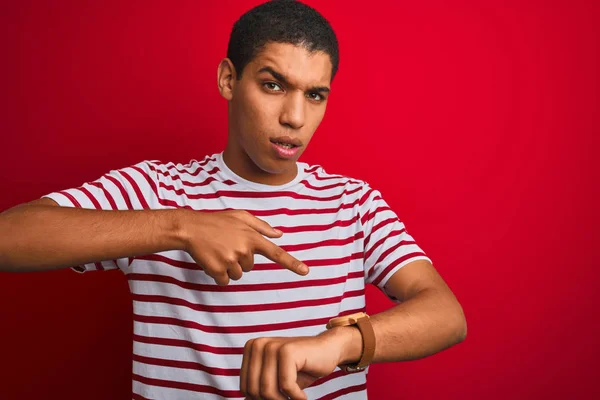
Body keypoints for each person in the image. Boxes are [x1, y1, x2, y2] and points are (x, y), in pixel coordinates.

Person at [0, 1, 467, 399]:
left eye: (316, 94)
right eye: (273, 85)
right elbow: (9, 237)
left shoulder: (353, 202)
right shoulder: (159, 190)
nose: (295, 117)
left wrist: (341, 344)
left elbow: (445, 313)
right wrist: (179, 226)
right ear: (228, 79)